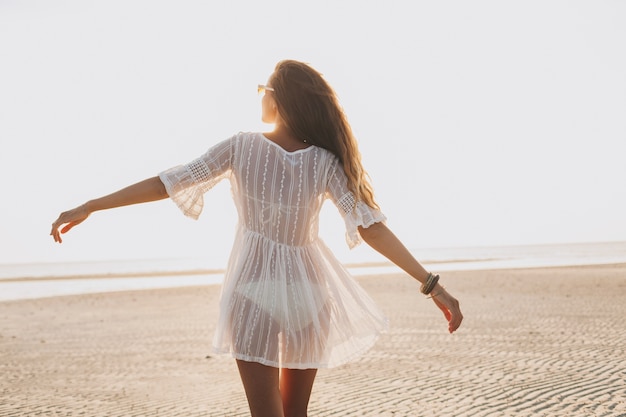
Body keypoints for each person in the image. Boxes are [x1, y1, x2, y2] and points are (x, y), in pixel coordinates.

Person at [50, 59, 462, 417]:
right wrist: (431, 285)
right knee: (296, 413)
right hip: (310, 293)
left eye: (263, 88)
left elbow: (167, 183)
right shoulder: (324, 161)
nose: (260, 94)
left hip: (252, 289)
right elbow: (371, 226)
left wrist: (92, 204)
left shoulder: (241, 146)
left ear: (276, 99)